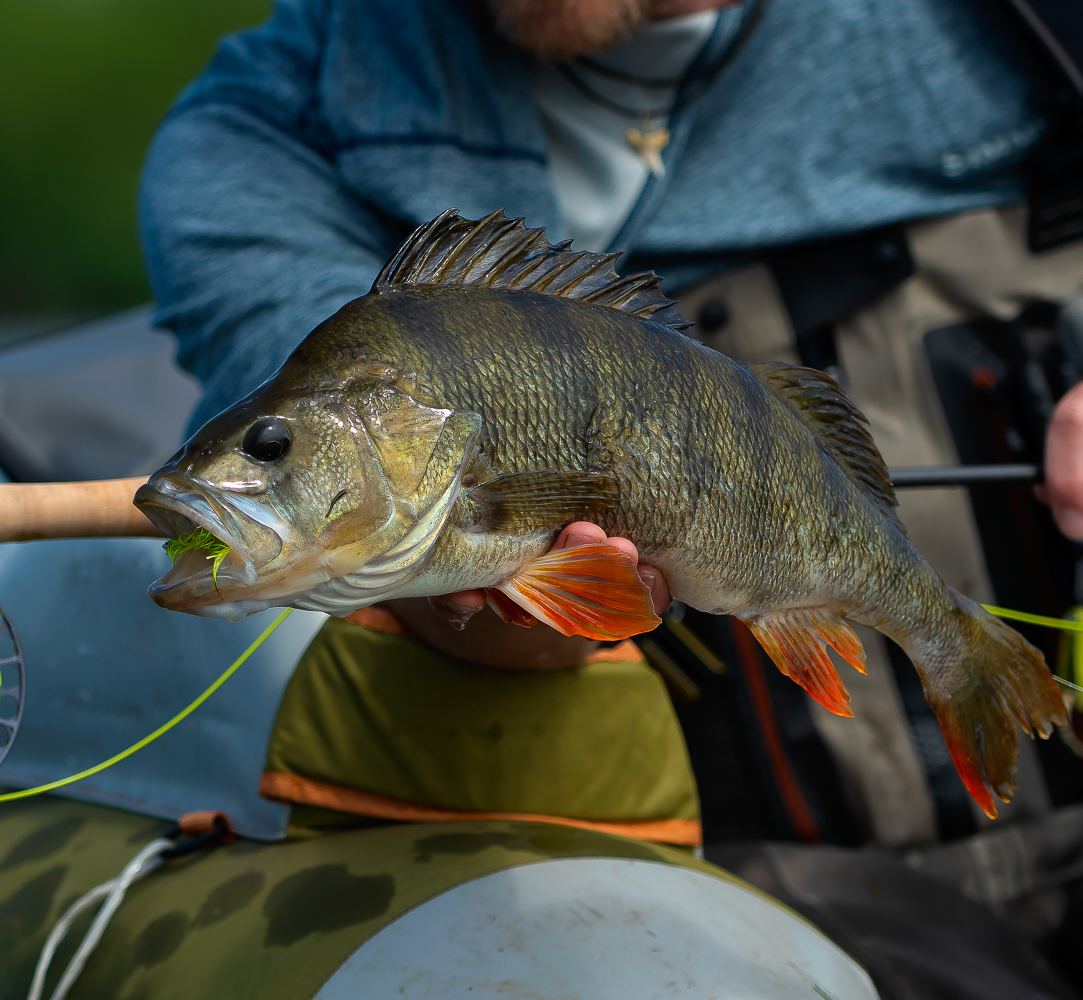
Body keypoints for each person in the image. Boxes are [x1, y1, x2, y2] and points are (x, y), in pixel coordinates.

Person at [139, 0, 1083, 994]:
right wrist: (508, 612)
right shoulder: (259, 138)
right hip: (701, 912)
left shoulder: (1038, 25)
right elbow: (358, 497)